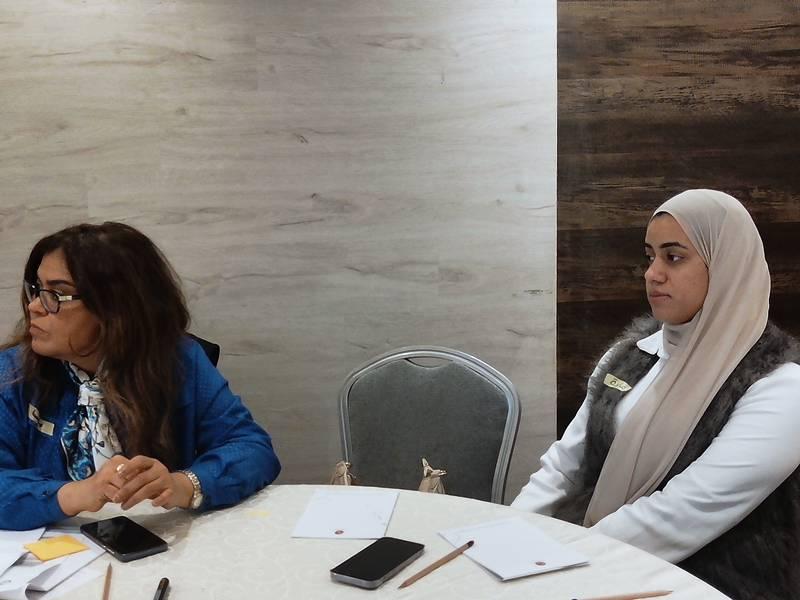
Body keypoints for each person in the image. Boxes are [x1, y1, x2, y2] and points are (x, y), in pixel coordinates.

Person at [511, 190, 800, 600]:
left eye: (674, 257)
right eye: (650, 256)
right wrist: (510, 533)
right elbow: (565, 465)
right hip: (590, 558)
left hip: (705, 582)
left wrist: (560, 558)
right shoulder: (627, 356)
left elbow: (684, 512)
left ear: (726, 267)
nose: (652, 273)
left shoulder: (780, 388)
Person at [0, 222, 281, 530]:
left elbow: (252, 450)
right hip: (52, 546)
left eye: (57, 294)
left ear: (116, 306)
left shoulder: (179, 361)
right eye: (36, 289)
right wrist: (77, 494)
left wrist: (182, 485)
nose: (34, 306)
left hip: (158, 537)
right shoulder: (11, 373)